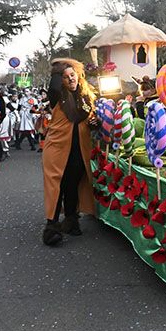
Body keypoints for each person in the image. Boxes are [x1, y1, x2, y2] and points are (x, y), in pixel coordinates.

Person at [41, 59, 96, 246]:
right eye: (65, 77)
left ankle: (71, 220)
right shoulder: (57, 96)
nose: (70, 79)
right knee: (56, 186)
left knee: (72, 185)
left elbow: (90, 118)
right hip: (56, 149)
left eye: (72, 75)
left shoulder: (86, 96)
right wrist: (59, 67)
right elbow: (54, 86)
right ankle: (51, 227)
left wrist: (93, 123)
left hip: (78, 149)